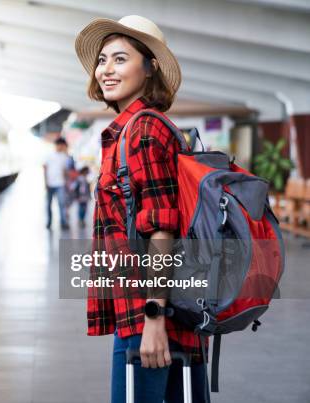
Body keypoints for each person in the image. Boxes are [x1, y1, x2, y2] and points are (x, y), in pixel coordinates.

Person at [75, 15, 210, 402]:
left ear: (149, 67)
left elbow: (162, 230)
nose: (106, 70)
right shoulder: (136, 129)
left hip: (148, 315)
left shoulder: (145, 130)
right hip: (156, 313)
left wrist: (154, 320)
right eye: (102, 60)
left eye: (120, 59)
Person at [43, 137, 70, 230]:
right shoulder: (49, 155)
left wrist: (67, 182)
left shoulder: (64, 156)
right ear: (57, 145)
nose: (62, 147)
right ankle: (49, 222)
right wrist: (45, 182)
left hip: (60, 183)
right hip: (50, 184)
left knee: (62, 203)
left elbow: (65, 170)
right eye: (61, 145)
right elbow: (45, 169)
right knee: (48, 204)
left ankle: (63, 222)